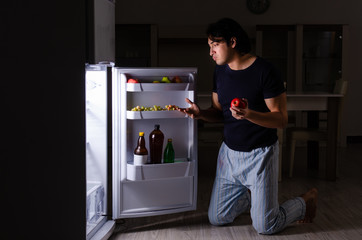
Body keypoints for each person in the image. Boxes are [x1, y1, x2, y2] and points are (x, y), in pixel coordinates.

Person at [178, 18, 318, 234]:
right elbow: (219, 113)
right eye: (209, 46)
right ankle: (251, 198)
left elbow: (281, 119)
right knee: (217, 218)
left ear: (232, 42)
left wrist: (249, 114)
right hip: (229, 156)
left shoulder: (266, 71)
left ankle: (304, 202)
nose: (211, 52)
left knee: (266, 226)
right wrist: (201, 114)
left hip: (260, 155)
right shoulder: (220, 72)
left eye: (215, 45)